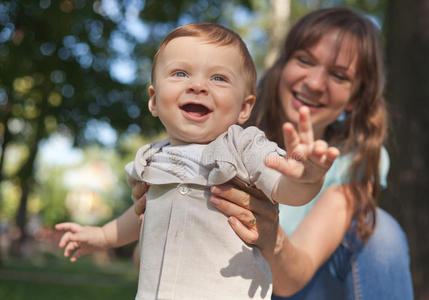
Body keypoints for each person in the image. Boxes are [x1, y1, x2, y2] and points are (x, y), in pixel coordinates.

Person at [131, 7, 415, 300]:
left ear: (356, 97)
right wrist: (154, 214)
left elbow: (293, 278)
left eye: (339, 76)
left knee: (381, 232)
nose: (315, 83)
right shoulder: (222, 128)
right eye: (304, 60)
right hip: (210, 285)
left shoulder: (356, 157)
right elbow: (144, 262)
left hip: (293, 287)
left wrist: (271, 233)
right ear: (283, 64)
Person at [55, 23, 339, 300]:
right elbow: (141, 213)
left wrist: (306, 178)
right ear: (153, 100)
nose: (198, 86)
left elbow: (283, 187)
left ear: (244, 107)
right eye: (180, 73)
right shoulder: (152, 157)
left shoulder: (244, 146)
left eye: (218, 78)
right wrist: (103, 236)